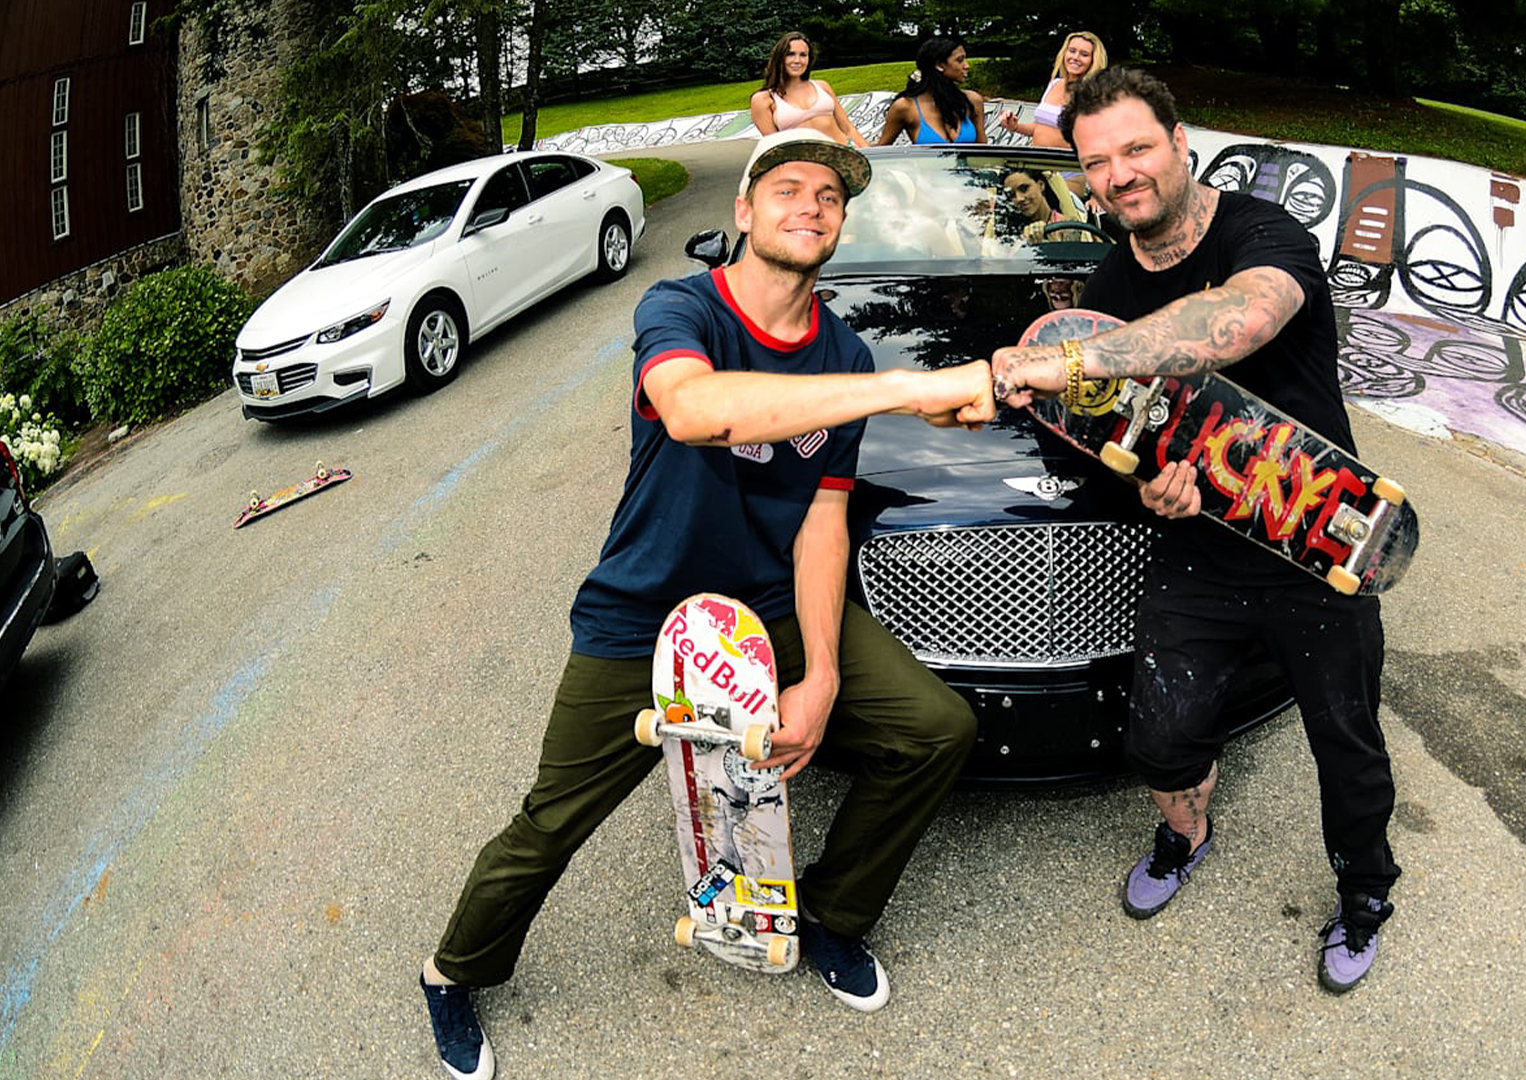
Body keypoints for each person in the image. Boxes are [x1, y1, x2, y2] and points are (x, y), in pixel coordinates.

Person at [420, 129, 995, 1080]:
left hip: (768, 607)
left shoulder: (843, 352)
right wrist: (902, 389)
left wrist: (821, 675)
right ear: (744, 209)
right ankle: (452, 971)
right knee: (552, 820)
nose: (811, 206)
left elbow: (823, 523)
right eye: (788, 188)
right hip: (644, 614)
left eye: (831, 197)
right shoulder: (682, 306)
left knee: (936, 728)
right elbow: (694, 410)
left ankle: (831, 914)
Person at [989, 68, 1402, 996]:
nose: (1119, 175)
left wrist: (1069, 358)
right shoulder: (1110, 282)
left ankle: (1366, 892)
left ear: (1181, 144)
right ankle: (1186, 833)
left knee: (1347, 746)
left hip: (1316, 543)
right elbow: (1115, 433)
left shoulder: (1263, 232)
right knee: (1159, 738)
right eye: (1097, 162)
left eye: (1137, 148)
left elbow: (1237, 319)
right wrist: (1151, 487)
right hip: (1201, 554)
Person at [749, 32, 870, 147]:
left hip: (846, 150)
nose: (797, 60)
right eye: (790, 54)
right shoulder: (764, 99)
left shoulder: (822, 87)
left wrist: (870, 153)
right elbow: (775, 147)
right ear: (779, 58)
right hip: (806, 159)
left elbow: (848, 128)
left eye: (803, 55)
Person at [996, 31, 1107, 149]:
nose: (1075, 57)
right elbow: (1040, 127)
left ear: (1093, 60)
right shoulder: (1054, 84)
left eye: (1084, 54)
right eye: (1072, 51)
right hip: (1035, 156)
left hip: (1065, 159)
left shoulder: (1093, 93)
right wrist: (1015, 126)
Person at [877, 37, 987, 146]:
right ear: (939, 65)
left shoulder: (972, 101)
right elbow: (881, 150)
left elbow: (985, 149)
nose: (967, 66)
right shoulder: (906, 106)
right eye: (960, 60)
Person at [999, 166, 1098, 245]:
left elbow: (1073, 260)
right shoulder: (1008, 231)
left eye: (1024, 189)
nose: (1019, 198)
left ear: (1041, 185)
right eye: (1012, 195)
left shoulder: (1069, 225)